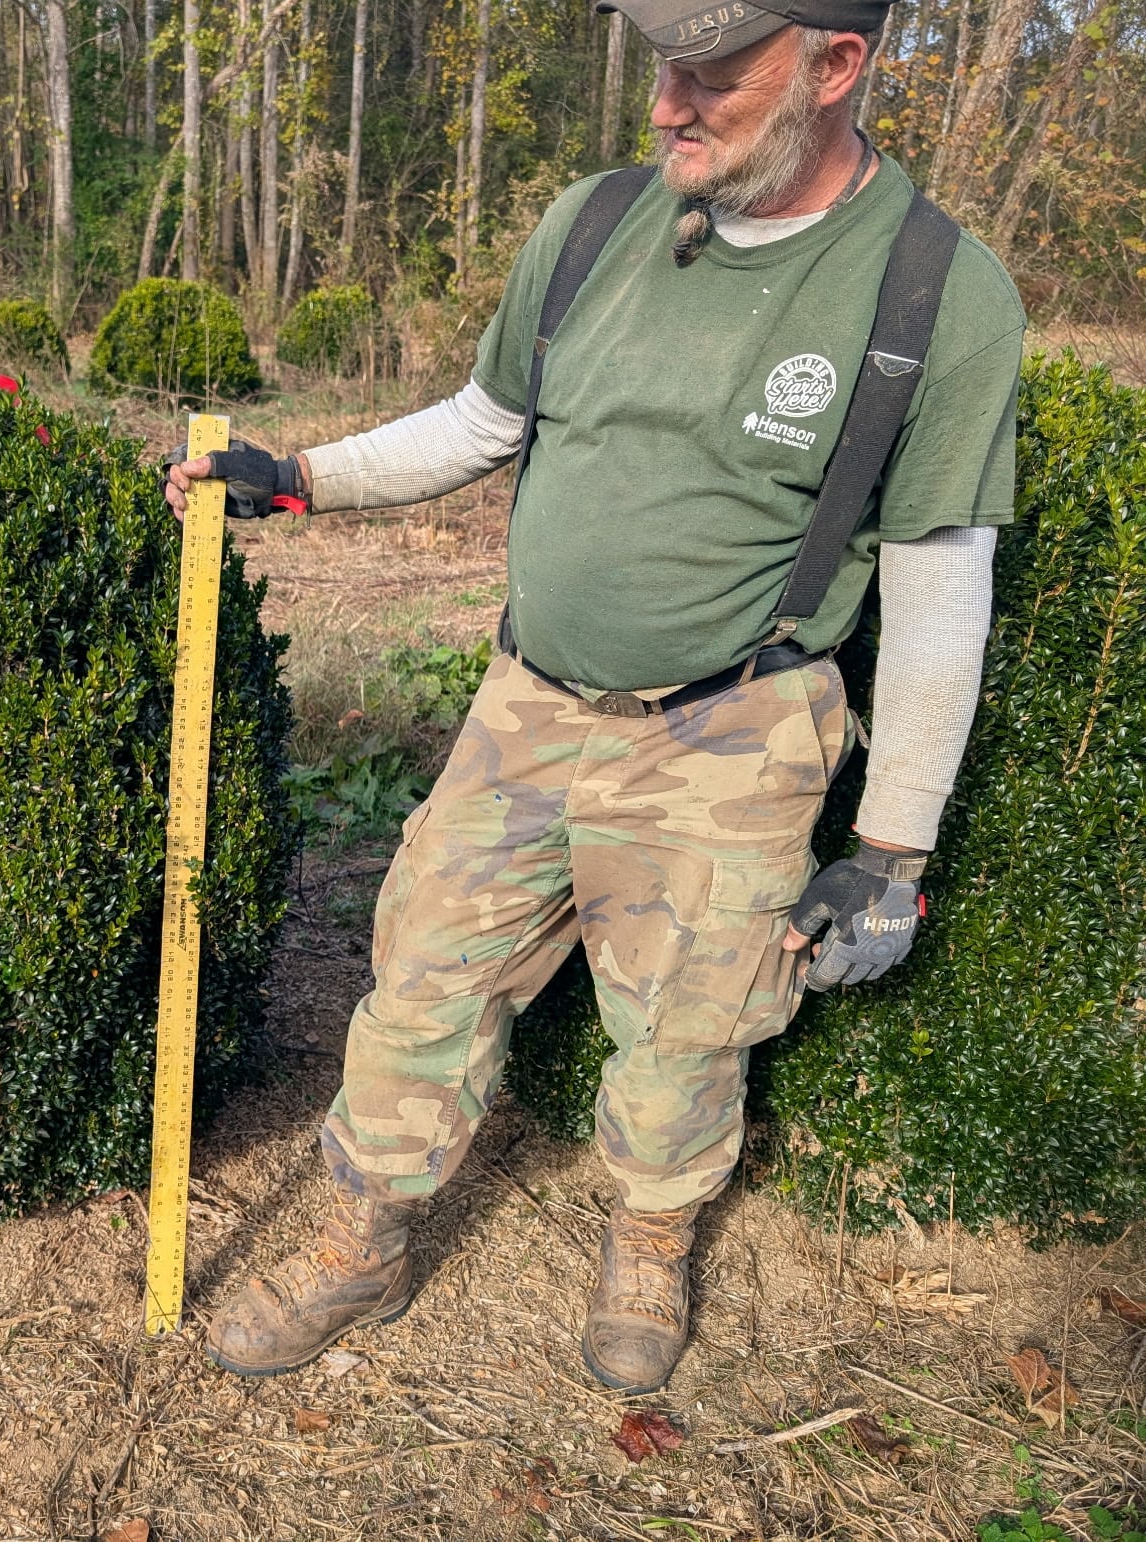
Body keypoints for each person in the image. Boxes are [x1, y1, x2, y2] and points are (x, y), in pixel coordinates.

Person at [163, 0, 1024, 1393]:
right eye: (662, 68)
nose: (667, 104)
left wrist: (892, 850)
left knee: (691, 1018)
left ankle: (651, 1233)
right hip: (529, 703)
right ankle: (364, 1236)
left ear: (838, 65)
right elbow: (481, 422)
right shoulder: (594, 222)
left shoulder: (934, 294)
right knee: (424, 966)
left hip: (735, 728)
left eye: (714, 75)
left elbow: (939, 578)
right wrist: (303, 475)